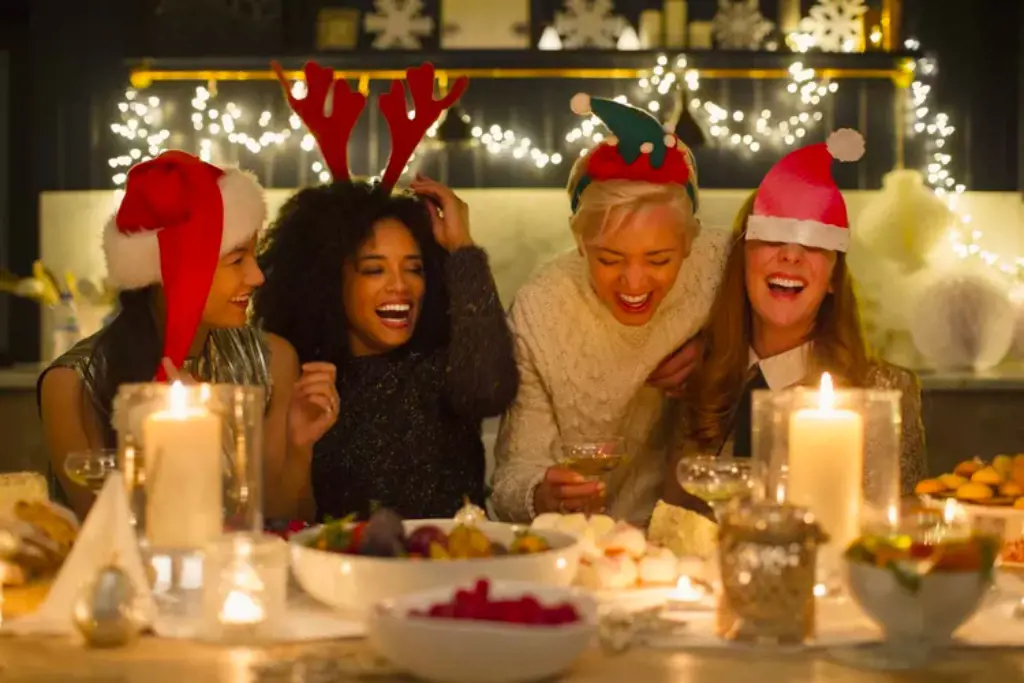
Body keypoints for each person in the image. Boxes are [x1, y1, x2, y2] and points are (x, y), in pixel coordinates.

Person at [252, 61, 518, 522]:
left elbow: (490, 390)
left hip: (448, 569)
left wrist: (463, 250)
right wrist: (299, 444)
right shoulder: (301, 378)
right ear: (327, 281)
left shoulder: (441, 364)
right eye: (374, 269)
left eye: (414, 268)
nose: (401, 286)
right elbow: (283, 522)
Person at [37, 151, 339, 520]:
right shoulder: (72, 384)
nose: (257, 277)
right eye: (237, 260)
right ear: (175, 267)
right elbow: (109, 539)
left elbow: (284, 521)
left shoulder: (274, 359)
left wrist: (298, 448)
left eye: (254, 256)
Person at [490, 92, 732, 526]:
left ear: (691, 243)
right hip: (580, 543)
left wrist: (719, 346)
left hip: (697, 534)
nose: (634, 283)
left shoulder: (721, 267)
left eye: (659, 260)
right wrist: (542, 493)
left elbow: (795, 328)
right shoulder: (541, 310)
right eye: (609, 258)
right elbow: (510, 481)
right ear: (579, 241)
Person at [663, 129, 927, 505]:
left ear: (834, 277)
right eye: (772, 238)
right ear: (743, 260)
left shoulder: (884, 392)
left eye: (814, 243)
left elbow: (895, 544)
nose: (791, 256)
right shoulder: (696, 380)